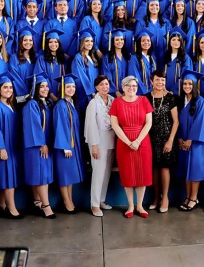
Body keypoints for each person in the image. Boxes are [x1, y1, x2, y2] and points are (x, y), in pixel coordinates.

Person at [109, 75, 154, 218]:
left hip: (143, 141)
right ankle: (130, 206)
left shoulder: (144, 100)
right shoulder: (117, 102)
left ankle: (140, 206)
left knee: (142, 174)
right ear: (123, 88)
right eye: (128, 86)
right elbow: (115, 125)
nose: (131, 88)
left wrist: (138, 141)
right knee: (128, 174)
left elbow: (148, 123)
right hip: (124, 142)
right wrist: (129, 142)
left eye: (134, 86)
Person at [0, 72, 23, 219]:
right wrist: (1, 148)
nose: (8, 90)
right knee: (8, 178)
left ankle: (1, 205)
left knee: (8, 176)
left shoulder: (11, 105)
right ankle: (12, 208)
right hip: (3, 147)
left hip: (12, 147)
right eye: (5, 87)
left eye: (10, 88)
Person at [22, 71, 56, 219]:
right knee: (41, 176)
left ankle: (38, 202)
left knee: (40, 175)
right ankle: (46, 206)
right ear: (35, 88)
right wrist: (42, 143)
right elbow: (33, 126)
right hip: (36, 146)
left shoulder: (46, 103)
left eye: (47, 86)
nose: (45, 89)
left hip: (44, 144)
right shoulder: (32, 104)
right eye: (42, 86)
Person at [145, 70, 179, 213]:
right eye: (157, 80)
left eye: (163, 80)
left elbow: (176, 121)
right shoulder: (145, 98)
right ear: (151, 82)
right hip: (151, 138)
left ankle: (165, 198)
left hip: (166, 138)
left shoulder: (171, 98)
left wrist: (170, 141)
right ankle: (155, 198)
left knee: (164, 168)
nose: (160, 83)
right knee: (154, 169)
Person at [53, 74, 85, 214]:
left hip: (72, 145)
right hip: (65, 146)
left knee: (69, 175)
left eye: (73, 86)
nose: (71, 89)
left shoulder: (71, 103)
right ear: (62, 89)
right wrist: (65, 146)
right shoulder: (61, 105)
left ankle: (69, 199)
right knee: (64, 175)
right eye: (68, 87)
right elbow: (60, 126)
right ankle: (66, 202)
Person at [84, 75, 116, 217]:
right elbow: (90, 125)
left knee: (106, 173)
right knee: (98, 173)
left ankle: (102, 200)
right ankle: (94, 204)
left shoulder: (112, 100)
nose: (105, 87)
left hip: (111, 142)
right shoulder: (93, 103)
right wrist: (94, 145)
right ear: (96, 87)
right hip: (98, 143)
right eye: (102, 84)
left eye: (107, 84)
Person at [177, 70, 204, 211]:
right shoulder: (181, 101)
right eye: (185, 83)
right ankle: (188, 196)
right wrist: (179, 139)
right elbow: (176, 121)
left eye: (190, 84)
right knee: (186, 170)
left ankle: (194, 198)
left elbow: (200, 122)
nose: (187, 86)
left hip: (195, 143)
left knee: (194, 170)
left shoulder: (200, 101)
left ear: (195, 85)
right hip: (183, 142)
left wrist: (190, 139)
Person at [35, 28, 68, 102]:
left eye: (56, 42)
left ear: (59, 43)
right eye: (50, 42)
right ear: (47, 44)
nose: (53, 44)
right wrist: (51, 94)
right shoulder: (42, 59)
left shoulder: (64, 59)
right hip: (47, 95)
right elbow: (41, 76)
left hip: (62, 94)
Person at [71, 28, 100, 112]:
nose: (90, 43)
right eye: (87, 41)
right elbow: (81, 77)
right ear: (82, 42)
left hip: (94, 93)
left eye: (91, 41)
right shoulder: (78, 58)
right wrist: (91, 92)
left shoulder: (92, 58)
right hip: (85, 94)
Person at [128, 29, 157, 95]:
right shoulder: (134, 58)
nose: (146, 42)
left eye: (148, 40)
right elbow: (135, 77)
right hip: (141, 93)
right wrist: (145, 92)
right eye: (143, 41)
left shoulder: (152, 58)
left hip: (153, 92)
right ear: (139, 43)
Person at [101, 29, 129, 97]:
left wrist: (127, 90)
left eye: (122, 39)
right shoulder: (107, 58)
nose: (120, 42)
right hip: (112, 94)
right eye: (117, 40)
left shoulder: (127, 57)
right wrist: (115, 91)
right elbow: (106, 76)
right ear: (112, 42)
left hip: (127, 92)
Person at [164, 27, 192, 96]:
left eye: (178, 40)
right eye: (173, 40)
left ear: (181, 42)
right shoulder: (165, 56)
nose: (176, 42)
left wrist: (173, 90)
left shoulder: (185, 57)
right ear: (169, 41)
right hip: (164, 91)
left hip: (179, 92)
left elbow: (185, 76)